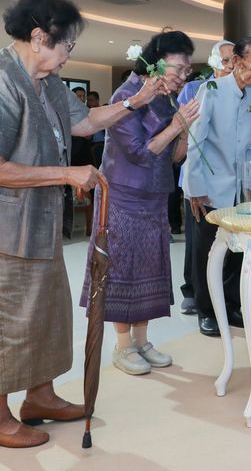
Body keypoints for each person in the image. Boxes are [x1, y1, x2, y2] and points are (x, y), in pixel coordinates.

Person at [0, 0, 165, 448]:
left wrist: (136, 101)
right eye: (68, 44)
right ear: (40, 36)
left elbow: (85, 122)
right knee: (5, 319)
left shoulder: (47, 80)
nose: (69, 55)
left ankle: (39, 397)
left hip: (33, 219)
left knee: (46, 311)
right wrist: (66, 172)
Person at [79, 31, 199, 376]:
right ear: (156, 64)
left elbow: (173, 157)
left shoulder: (166, 99)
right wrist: (175, 126)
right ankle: (122, 345)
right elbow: (139, 153)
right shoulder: (126, 96)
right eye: (179, 68)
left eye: (187, 70)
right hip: (123, 197)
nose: (183, 76)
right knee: (121, 270)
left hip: (155, 196)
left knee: (149, 269)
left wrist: (185, 130)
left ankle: (142, 341)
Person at [184, 37, 251, 337]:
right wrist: (195, 188)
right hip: (209, 186)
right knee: (207, 252)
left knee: (237, 251)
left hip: (240, 188)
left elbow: (249, 146)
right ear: (237, 61)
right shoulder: (212, 90)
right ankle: (206, 311)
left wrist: (249, 185)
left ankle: (231, 306)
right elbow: (195, 142)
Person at [178, 39, 234, 315]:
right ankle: (192, 292)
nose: (230, 65)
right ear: (213, 61)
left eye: (234, 60)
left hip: (228, 182)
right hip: (197, 178)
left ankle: (224, 295)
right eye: (225, 60)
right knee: (198, 244)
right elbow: (185, 131)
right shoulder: (195, 89)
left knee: (228, 244)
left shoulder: (240, 92)